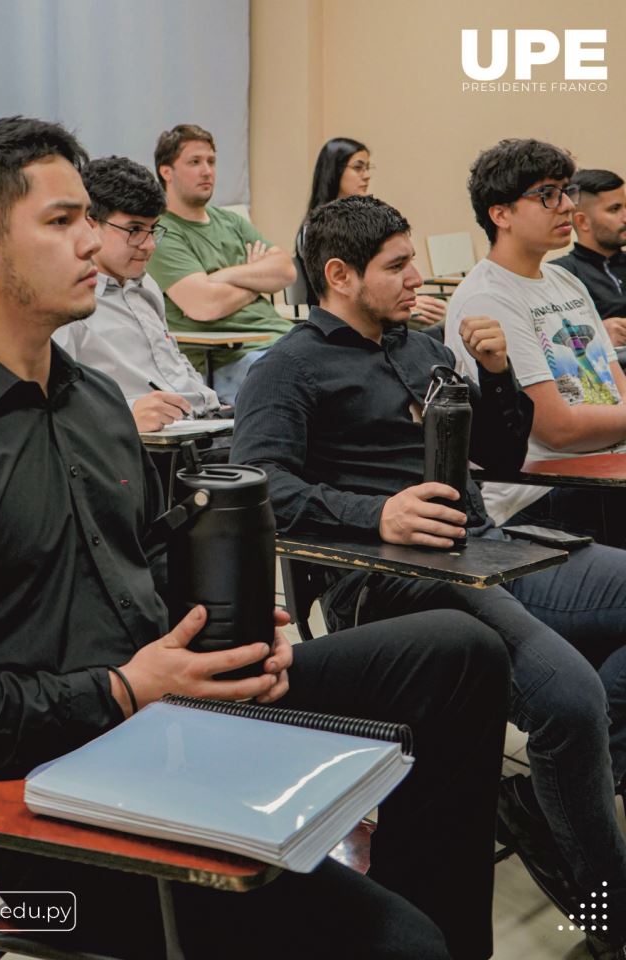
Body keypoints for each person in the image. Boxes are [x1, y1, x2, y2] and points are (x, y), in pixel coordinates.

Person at [0, 115, 515, 960]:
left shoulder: (94, 402)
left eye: (90, 219)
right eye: (63, 222)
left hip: (181, 713)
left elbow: (151, 563)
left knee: (458, 651)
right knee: (401, 946)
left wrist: (245, 634)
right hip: (63, 795)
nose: (93, 243)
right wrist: (124, 691)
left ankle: (413, 921)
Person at [231, 194, 626, 960]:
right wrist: (375, 514)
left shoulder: (420, 349)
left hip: (492, 548)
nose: (420, 277)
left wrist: (499, 374)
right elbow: (257, 487)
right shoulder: (289, 368)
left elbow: (504, 456)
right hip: (400, 581)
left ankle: (553, 789)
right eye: (398, 266)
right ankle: (611, 917)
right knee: (568, 695)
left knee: (573, 710)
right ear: (339, 276)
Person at [445, 140, 626, 548]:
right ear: (501, 214)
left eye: (566, 190)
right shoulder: (488, 298)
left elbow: (617, 388)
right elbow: (558, 429)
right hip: (536, 494)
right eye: (547, 195)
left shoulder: (566, 281)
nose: (566, 206)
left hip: (603, 471)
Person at [52, 155, 224, 432]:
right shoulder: (64, 300)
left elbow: (172, 360)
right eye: (134, 230)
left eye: (153, 229)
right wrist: (128, 413)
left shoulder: (144, 284)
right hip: (149, 442)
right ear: (90, 224)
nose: (149, 245)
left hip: (205, 419)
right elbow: (55, 404)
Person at [146, 124, 294, 404]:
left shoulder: (232, 221)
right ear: (166, 172)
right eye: (194, 162)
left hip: (282, 339)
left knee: (352, 360)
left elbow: (286, 271)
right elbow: (205, 304)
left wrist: (222, 276)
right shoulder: (160, 232)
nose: (207, 171)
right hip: (230, 358)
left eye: (211, 161)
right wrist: (256, 282)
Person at [294, 137, 446, 329]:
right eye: (358, 168)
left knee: (444, 322)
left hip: (370, 311)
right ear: (334, 171)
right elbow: (338, 297)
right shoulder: (315, 230)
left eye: (367, 168)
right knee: (438, 329)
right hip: (346, 320)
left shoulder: (367, 220)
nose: (366, 176)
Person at [552, 168, 626, 347]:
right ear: (582, 222)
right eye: (615, 209)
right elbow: (552, 339)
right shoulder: (560, 276)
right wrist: (598, 333)